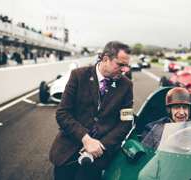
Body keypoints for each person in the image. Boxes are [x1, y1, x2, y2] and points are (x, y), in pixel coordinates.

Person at [49, 41, 133, 180]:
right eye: (121, 65)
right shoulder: (78, 75)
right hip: (67, 153)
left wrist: (100, 146)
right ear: (106, 59)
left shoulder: (126, 85)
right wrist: (86, 139)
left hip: (99, 157)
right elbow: (62, 113)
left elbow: (126, 122)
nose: (125, 70)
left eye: (127, 65)